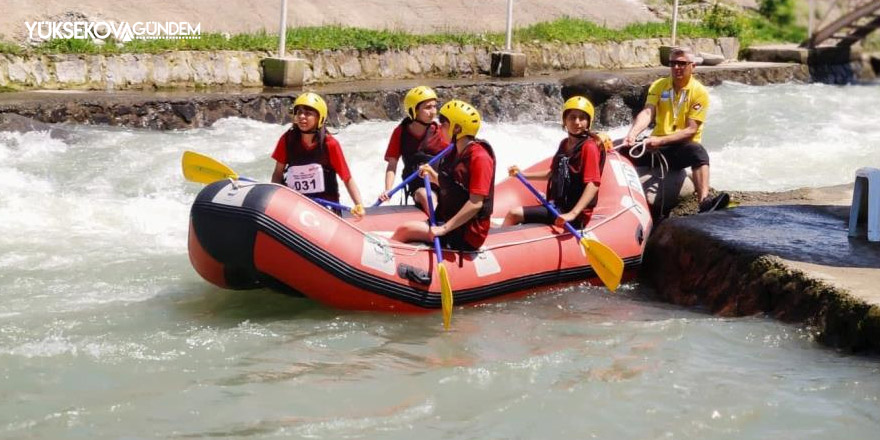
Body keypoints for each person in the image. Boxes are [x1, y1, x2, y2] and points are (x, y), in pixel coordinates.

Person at [622, 46, 729, 213]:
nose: (676, 68)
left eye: (681, 63)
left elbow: (691, 130)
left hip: (680, 147)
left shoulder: (699, 92)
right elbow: (648, 112)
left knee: (698, 152)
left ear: (692, 66)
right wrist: (633, 133)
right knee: (620, 150)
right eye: (672, 63)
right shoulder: (659, 85)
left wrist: (660, 140)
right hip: (655, 146)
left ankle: (704, 202)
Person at [391, 100, 495, 252]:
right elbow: (452, 186)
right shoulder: (456, 151)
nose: (440, 128)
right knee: (407, 229)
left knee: (405, 230)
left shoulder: (480, 158)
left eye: (444, 124)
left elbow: (475, 203)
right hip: (451, 219)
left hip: (468, 232)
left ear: (457, 128)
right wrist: (432, 174)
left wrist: (444, 228)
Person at [502, 96, 606, 229]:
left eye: (582, 118)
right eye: (572, 117)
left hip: (573, 214)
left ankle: (496, 246)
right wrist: (523, 175)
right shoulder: (564, 144)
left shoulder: (589, 147)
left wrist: (573, 214)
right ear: (565, 121)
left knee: (513, 213)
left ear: (589, 121)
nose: (577, 122)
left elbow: (593, 184)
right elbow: (552, 174)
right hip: (558, 206)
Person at [270, 92, 365, 218]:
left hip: (326, 206)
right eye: (299, 113)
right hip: (296, 204)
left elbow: (347, 178)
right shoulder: (287, 140)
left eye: (308, 114)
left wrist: (359, 205)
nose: (302, 117)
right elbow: (277, 174)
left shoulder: (330, 144)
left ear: (319, 118)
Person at [379, 86, 449, 211]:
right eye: (427, 107)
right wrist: (388, 189)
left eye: (434, 106)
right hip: (418, 184)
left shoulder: (439, 131)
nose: (433, 111)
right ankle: (440, 224)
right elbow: (392, 164)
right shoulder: (400, 132)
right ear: (414, 110)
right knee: (427, 197)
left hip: (441, 181)